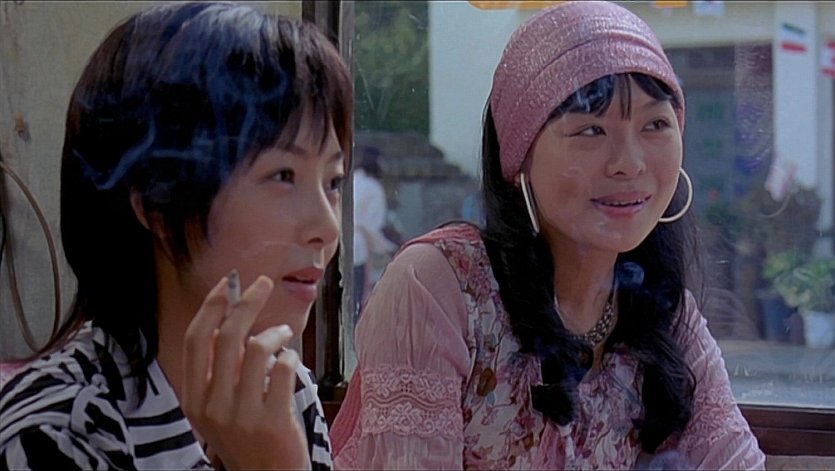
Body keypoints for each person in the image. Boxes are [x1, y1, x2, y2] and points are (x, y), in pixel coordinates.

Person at [330, 2, 764, 469]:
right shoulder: (440, 288)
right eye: (591, 130)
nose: (630, 163)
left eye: (656, 124)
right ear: (519, 158)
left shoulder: (666, 315)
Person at [0, 2, 352, 470]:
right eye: (283, 175)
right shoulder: (56, 433)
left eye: (333, 182)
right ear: (158, 206)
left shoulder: (284, 391)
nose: (327, 227)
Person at [351, 147, 396, 322]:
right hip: (360, 249)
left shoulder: (353, 180)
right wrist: (390, 248)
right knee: (357, 303)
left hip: (342, 247)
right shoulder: (374, 188)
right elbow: (372, 228)